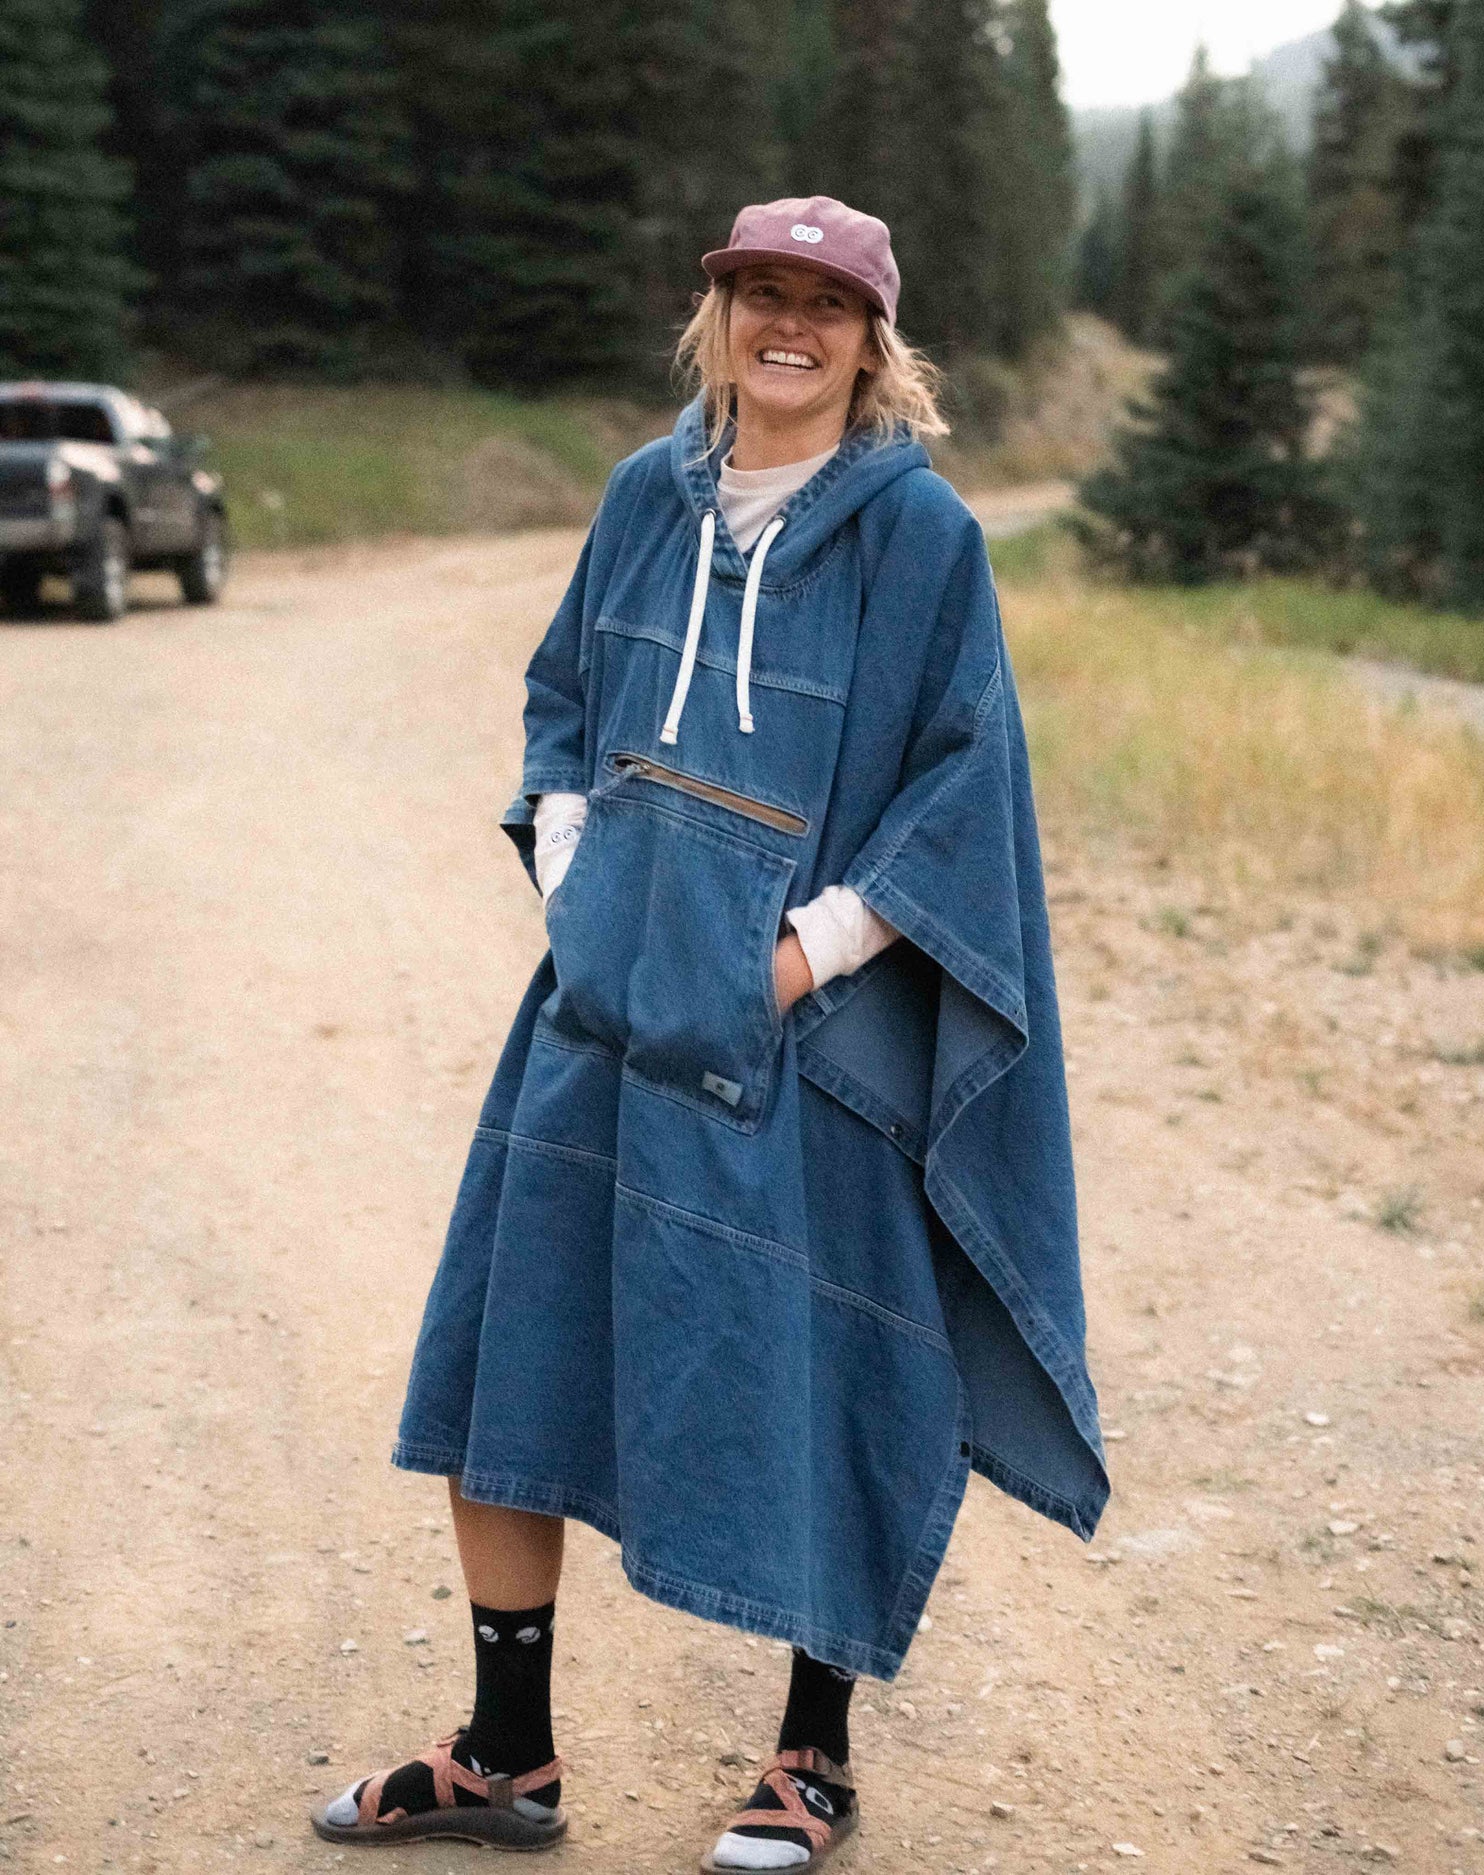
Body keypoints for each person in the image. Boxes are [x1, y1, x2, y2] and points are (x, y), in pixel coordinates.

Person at [311, 195, 1110, 1869]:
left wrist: (795, 962)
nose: (788, 325)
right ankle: (506, 1758)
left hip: (803, 1038)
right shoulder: (639, 498)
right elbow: (563, 705)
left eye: (827, 302)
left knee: (825, 1369)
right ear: (719, 315)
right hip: (601, 1011)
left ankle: (813, 1758)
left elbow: (962, 789)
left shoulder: (921, 536)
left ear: (874, 341)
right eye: (761, 292)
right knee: (506, 1355)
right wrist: (580, 893)